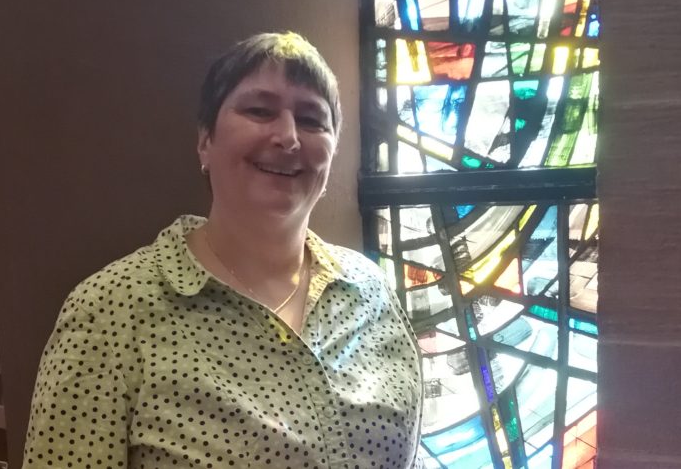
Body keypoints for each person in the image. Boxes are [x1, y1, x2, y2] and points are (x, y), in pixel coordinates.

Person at [23, 31, 422, 469]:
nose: (288, 137)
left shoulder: (371, 292)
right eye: (259, 110)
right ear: (204, 141)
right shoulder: (110, 312)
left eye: (312, 119)